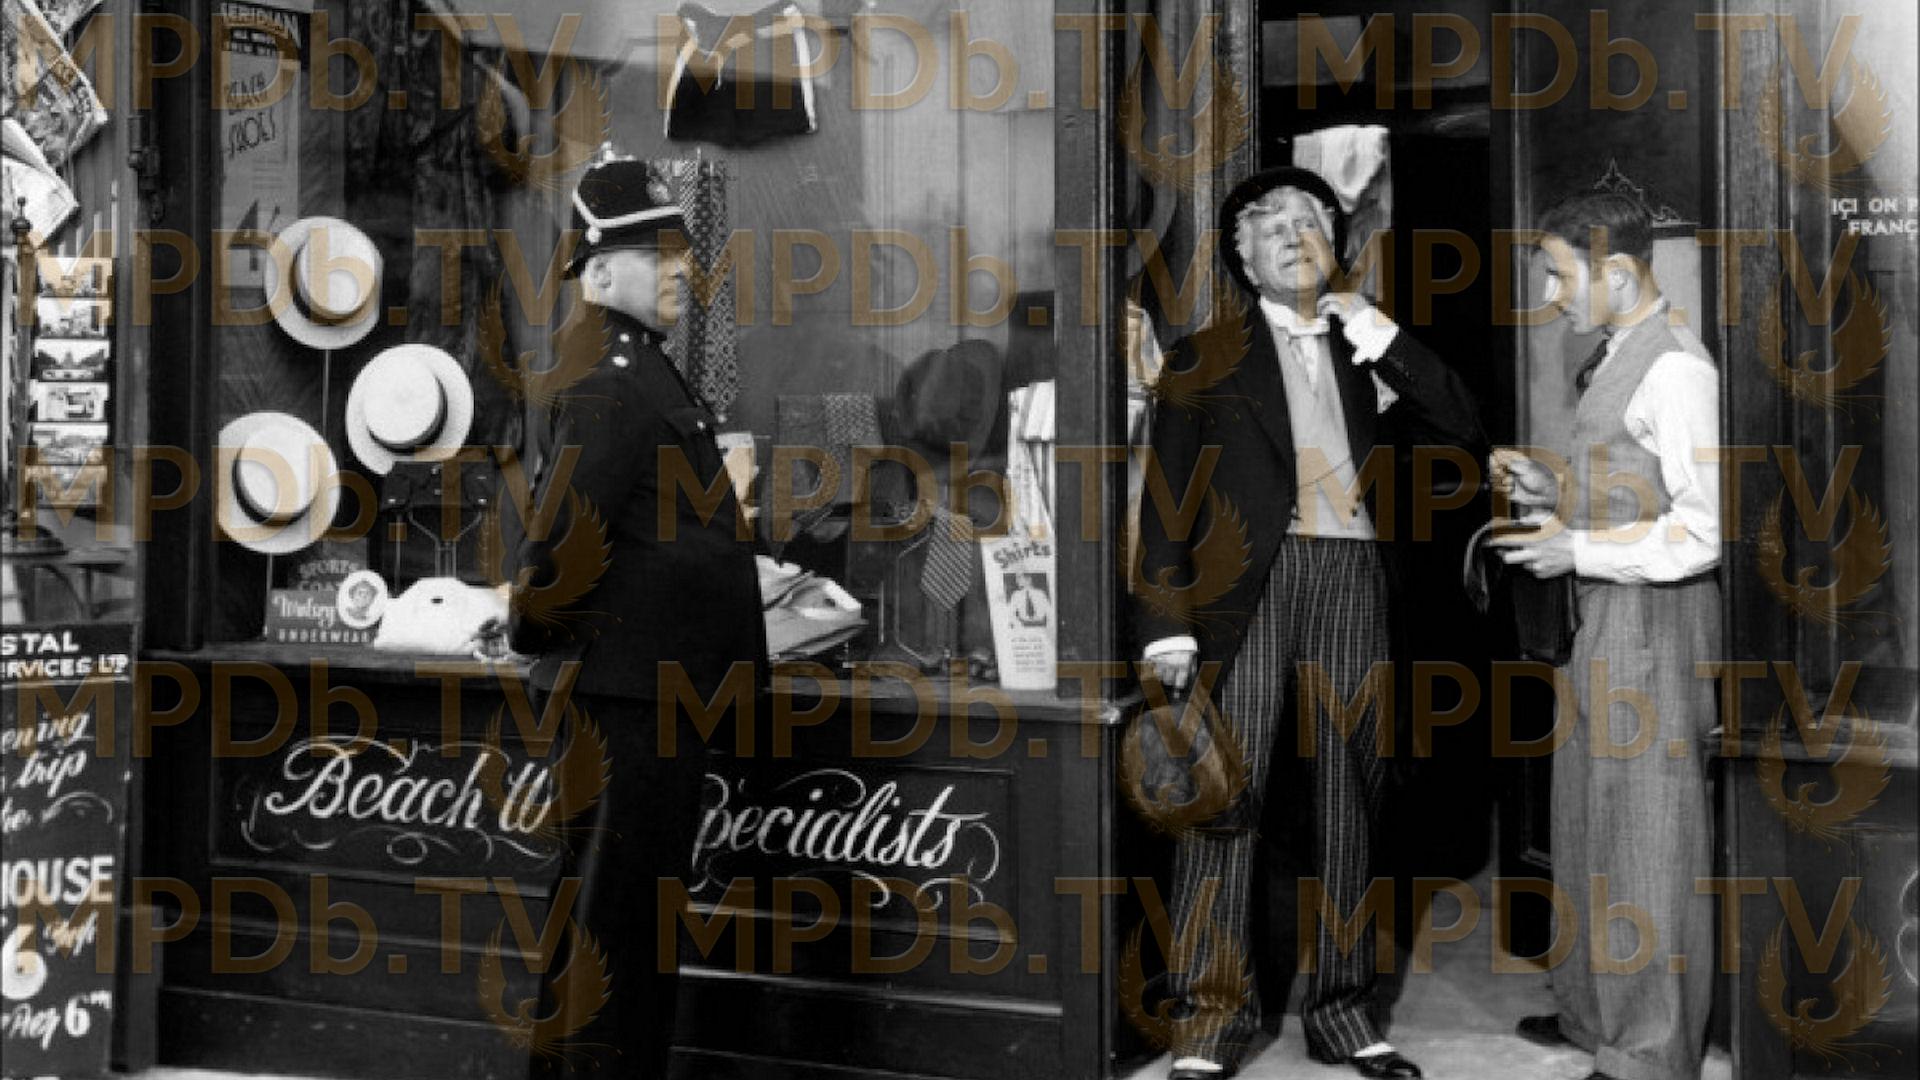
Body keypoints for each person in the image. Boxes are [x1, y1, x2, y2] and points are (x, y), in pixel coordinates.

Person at [1135, 167, 1483, 1080]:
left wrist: (1378, 330)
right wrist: (1167, 626)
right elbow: (1165, 504)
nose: (1294, 234)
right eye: (1270, 224)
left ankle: (1342, 1013)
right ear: (1242, 258)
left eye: (1311, 221)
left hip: (1354, 580)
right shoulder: (1202, 356)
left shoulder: (1368, 351)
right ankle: (1209, 1024)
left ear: (1337, 245)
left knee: (1349, 799)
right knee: (1224, 798)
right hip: (1245, 592)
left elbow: (1461, 425)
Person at [505, 153, 768, 1077]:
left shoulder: (635, 365)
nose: (680, 271)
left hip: (650, 697)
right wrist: (531, 630)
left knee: (617, 922)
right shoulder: (608, 377)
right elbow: (562, 544)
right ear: (599, 270)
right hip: (628, 702)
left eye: (680, 253)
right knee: (616, 928)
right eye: (658, 256)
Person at [1491, 192, 1720, 1080]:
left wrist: (1577, 547)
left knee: (1648, 836)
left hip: (1655, 623)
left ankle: (1648, 1054)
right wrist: (1556, 492)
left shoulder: (1677, 369)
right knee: (1590, 819)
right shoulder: (1620, 352)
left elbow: (1705, 529)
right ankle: (1595, 1018)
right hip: (1606, 615)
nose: (1550, 295)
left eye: (1560, 275)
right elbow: (1641, 486)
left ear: (1619, 274)